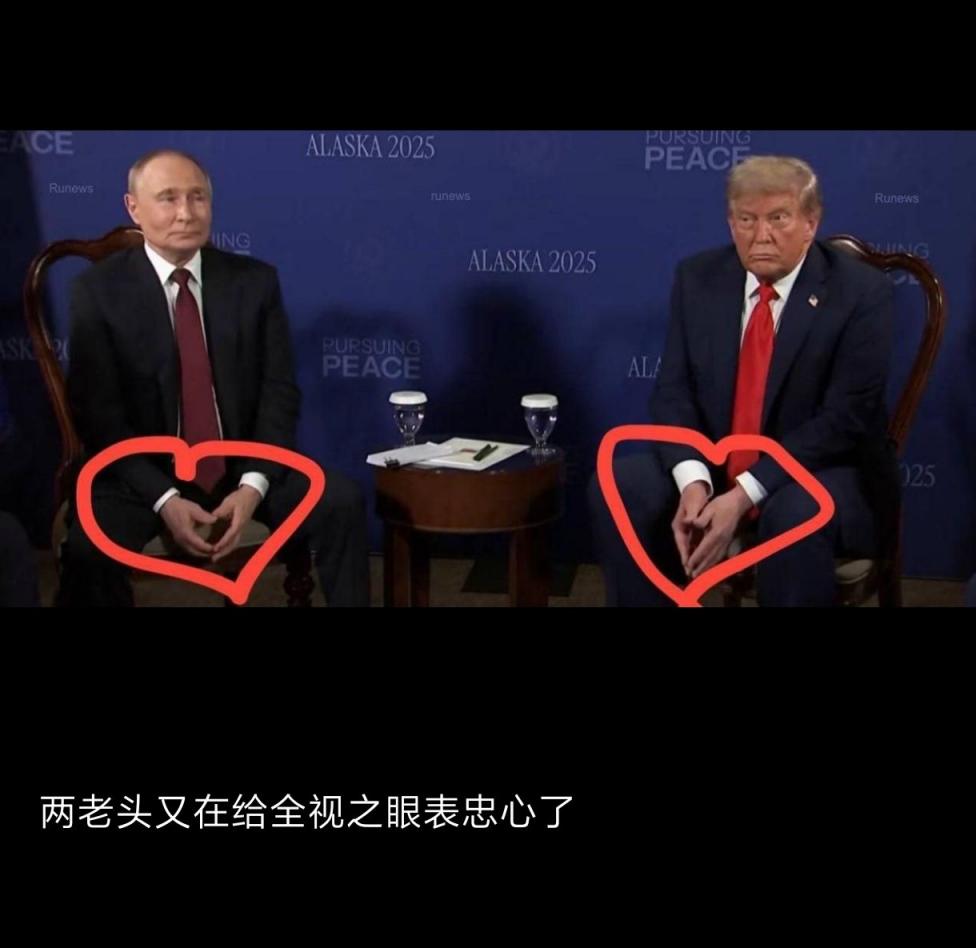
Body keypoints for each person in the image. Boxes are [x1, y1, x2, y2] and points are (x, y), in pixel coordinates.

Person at [57, 149, 369, 607]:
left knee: (341, 501)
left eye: (198, 197)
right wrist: (165, 498)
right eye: (168, 198)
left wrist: (253, 487)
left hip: (244, 464)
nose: (186, 213)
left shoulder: (255, 282)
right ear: (133, 208)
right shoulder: (96, 292)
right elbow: (101, 419)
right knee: (90, 551)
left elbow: (279, 394)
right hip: (141, 476)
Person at [589, 155, 898, 606]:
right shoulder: (698, 279)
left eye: (779, 218)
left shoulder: (861, 293)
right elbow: (673, 393)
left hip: (823, 471)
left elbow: (844, 421)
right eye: (747, 220)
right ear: (731, 222)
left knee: (794, 515)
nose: (761, 235)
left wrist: (745, 494)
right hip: (719, 464)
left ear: (810, 223)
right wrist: (694, 481)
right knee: (623, 484)